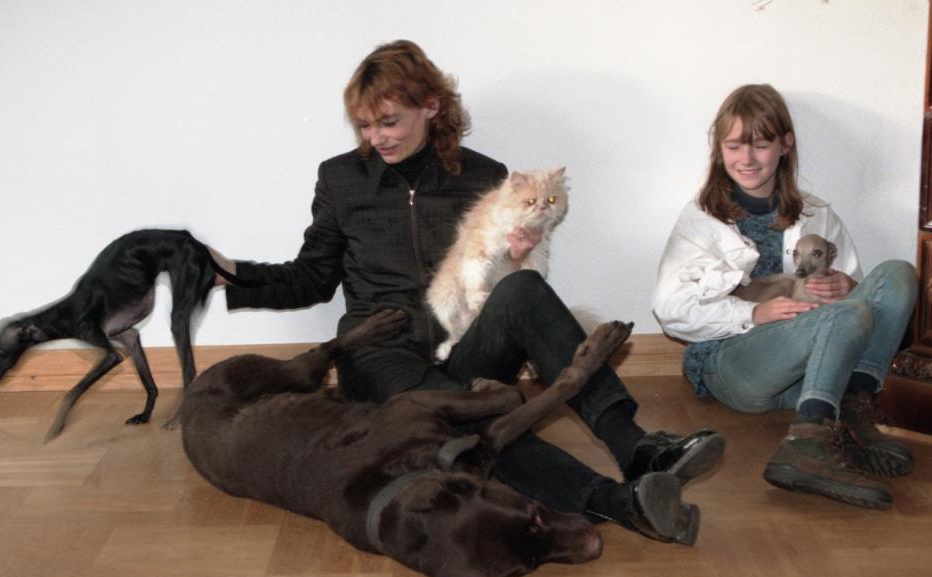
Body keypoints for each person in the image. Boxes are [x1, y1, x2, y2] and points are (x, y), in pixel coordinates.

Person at [213, 40, 724, 543]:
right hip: (380, 356)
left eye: (388, 122)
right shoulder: (341, 178)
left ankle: (635, 447)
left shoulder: (483, 176)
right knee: (469, 417)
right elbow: (311, 278)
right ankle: (619, 504)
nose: (376, 137)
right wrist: (232, 274)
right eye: (366, 126)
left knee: (523, 288)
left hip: (460, 340)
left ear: (430, 106)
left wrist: (516, 258)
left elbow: (497, 280)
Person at [652, 83, 917, 510]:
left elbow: (867, 306)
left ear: (785, 145)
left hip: (813, 371)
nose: (746, 158)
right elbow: (670, 310)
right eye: (734, 146)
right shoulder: (700, 219)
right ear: (719, 150)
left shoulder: (817, 214)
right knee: (844, 316)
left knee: (899, 275)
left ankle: (852, 409)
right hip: (735, 364)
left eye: (760, 145)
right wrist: (754, 312)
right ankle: (806, 444)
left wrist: (848, 286)